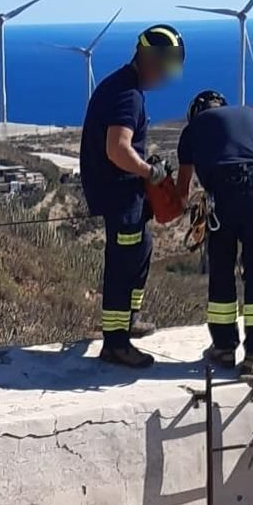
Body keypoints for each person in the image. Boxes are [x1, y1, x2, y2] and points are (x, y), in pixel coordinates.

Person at [78, 25, 186, 370]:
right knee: (123, 266)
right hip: (121, 194)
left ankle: (128, 322)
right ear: (151, 61)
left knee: (140, 252)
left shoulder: (120, 86)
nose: (167, 78)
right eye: (166, 69)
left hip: (124, 194)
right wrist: (149, 171)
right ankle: (115, 343)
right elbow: (118, 149)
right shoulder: (127, 95)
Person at [175, 90, 253, 374]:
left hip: (224, 195)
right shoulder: (251, 114)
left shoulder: (193, 129)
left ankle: (223, 347)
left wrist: (172, 206)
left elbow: (182, 192)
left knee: (222, 269)